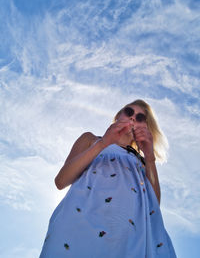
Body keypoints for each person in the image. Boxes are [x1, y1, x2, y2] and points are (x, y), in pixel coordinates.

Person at [39, 99, 177, 258]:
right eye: (129, 112)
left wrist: (150, 158)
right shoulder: (91, 139)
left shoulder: (143, 162)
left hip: (129, 237)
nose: (133, 118)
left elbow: (154, 208)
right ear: (118, 116)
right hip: (80, 222)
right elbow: (61, 181)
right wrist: (104, 143)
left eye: (140, 118)